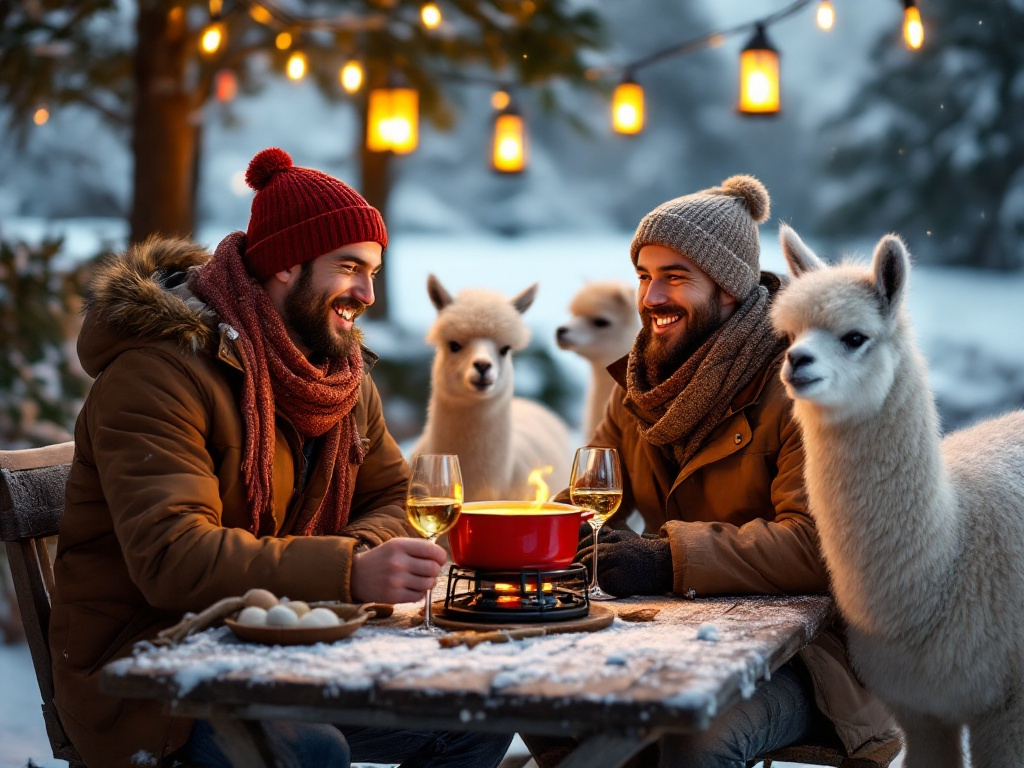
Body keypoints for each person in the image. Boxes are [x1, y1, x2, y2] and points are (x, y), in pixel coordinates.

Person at [49, 147, 513, 768]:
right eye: (350, 267)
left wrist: (355, 561)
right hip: (157, 670)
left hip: (284, 645)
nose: (368, 292)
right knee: (310, 751)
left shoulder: (336, 373)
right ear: (287, 264)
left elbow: (396, 499)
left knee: (476, 720)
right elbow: (172, 558)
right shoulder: (157, 373)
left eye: (373, 270)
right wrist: (348, 572)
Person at [526, 176, 899, 768]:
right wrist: (520, 534)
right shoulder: (640, 388)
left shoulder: (801, 383)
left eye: (675, 277)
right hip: (680, 638)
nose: (650, 298)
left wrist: (666, 558)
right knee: (542, 705)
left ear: (729, 289)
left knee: (695, 740)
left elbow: (817, 546)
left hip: (812, 656)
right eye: (645, 276)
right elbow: (588, 498)